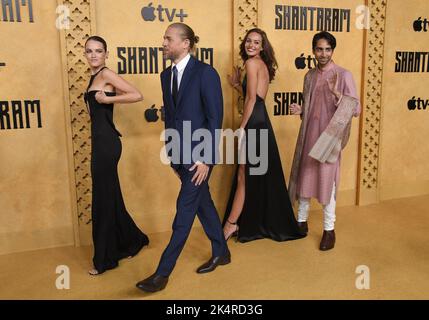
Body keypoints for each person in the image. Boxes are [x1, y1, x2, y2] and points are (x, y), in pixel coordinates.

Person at [136, 23, 229, 293]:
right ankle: (221, 252)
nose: (163, 43)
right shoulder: (166, 76)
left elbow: (215, 118)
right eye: (164, 38)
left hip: (201, 157)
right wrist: (173, 156)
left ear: (186, 43)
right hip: (180, 155)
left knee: (184, 212)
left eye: (168, 38)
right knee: (204, 204)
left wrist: (206, 159)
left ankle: (161, 274)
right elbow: (173, 119)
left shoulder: (205, 73)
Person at [222, 28, 305, 243]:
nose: (251, 45)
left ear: (262, 46)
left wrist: (241, 128)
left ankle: (231, 225)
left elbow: (251, 100)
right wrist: (235, 85)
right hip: (261, 120)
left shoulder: (251, 64)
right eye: (248, 41)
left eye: (256, 42)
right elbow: (256, 97)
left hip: (253, 123)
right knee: (249, 174)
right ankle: (240, 222)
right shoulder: (262, 65)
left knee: (244, 174)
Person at [289, 31, 361, 251]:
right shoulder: (309, 76)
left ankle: (329, 230)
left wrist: (338, 95)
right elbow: (312, 109)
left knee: (327, 182)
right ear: (313, 50)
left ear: (332, 51)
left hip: (330, 138)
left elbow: (356, 108)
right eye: (319, 49)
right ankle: (301, 223)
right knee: (305, 177)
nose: (323, 53)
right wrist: (302, 110)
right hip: (310, 134)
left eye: (327, 49)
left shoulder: (343, 75)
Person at [83, 36, 149, 275]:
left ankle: (104, 260)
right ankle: (133, 240)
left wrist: (108, 98)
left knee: (103, 198)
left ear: (106, 54)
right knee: (109, 196)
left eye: (98, 51)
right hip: (101, 143)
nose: (93, 55)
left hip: (108, 145)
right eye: (89, 51)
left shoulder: (106, 75)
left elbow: (136, 95)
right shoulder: (93, 77)